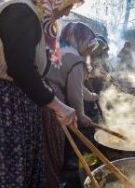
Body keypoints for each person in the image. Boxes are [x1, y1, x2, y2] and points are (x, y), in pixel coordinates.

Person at [0, 0, 84, 187]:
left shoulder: (35, 19)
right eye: (67, 5)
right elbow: (21, 69)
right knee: (2, 174)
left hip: (13, 105)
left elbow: (34, 73)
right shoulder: (21, 11)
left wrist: (51, 103)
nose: (66, 13)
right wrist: (58, 105)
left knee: (19, 172)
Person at [44, 22, 100, 187]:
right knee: (56, 151)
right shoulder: (76, 60)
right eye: (88, 46)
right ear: (79, 40)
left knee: (46, 151)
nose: (90, 52)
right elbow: (75, 94)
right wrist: (81, 115)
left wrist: (91, 96)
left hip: (45, 99)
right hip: (57, 105)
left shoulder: (61, 50)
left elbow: (76, 85)